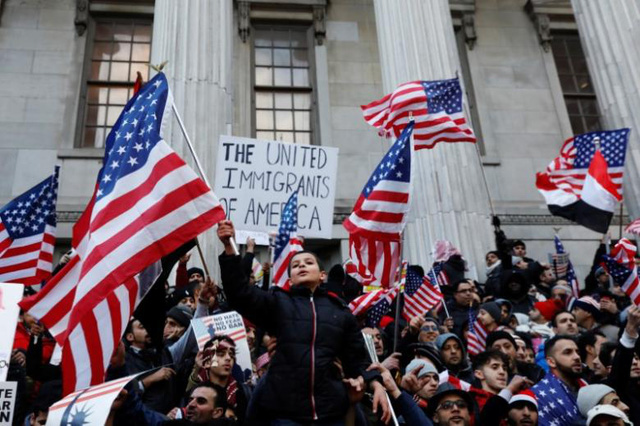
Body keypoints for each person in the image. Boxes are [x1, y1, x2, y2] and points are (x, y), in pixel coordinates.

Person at [216, 220, 389, 425]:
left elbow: (357, 360)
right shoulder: (278, 302)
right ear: (290, 280)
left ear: (322, 275)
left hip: (330, 412)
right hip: (286, 413)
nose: (302, 266)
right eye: (296, 265)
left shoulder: (340, 312)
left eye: (308, 262)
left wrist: (376, 385)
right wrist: (229, 247)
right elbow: (240, 294)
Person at [532, 335, 585, 425]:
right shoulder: (538, 396)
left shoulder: (587, 386)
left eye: (577, 352)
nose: (577, 357)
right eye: (568, 352)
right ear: (551, 362)